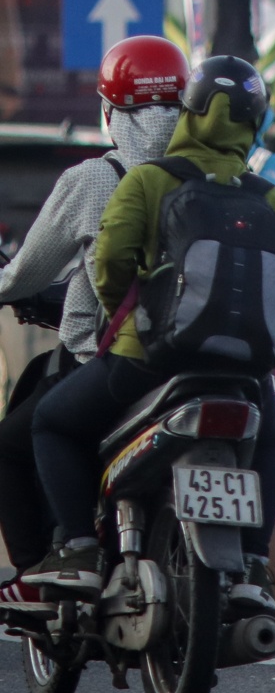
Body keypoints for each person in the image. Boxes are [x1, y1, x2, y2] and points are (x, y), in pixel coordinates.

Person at [24, 57, 275, 612]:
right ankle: (251, 562)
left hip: (149, 361)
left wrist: (132, 323)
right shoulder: (269, 197)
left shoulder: (150, 179)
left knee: (51, 423)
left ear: (191, 114)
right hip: (243, 372)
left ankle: (79, 548)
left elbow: (111, 266)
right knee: (268, 444)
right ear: (254, 123)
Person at [0, 35, 187, 603]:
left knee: (18, 440)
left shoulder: (95, 181)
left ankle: (48, 567)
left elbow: (25, 276)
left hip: (115, 363)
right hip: (212, 364)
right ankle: (254, 567)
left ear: (110, 113)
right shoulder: (219, 181)